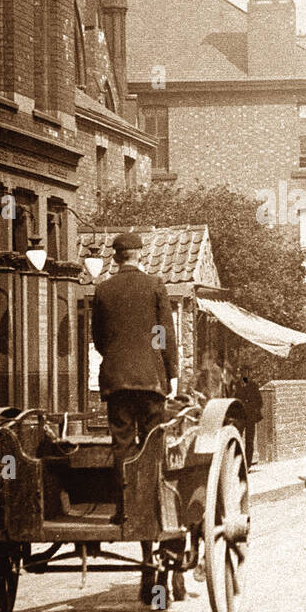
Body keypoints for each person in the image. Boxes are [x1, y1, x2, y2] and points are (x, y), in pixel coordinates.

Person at [91, 232, 179, 548]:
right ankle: (154, 506)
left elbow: (99, 339)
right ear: (140, 255)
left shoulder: (103, 289)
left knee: (122, 445)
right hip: (151, 380)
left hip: (117, 381)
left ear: (116, 258)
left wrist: (118, 359)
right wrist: (170, 374)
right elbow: (163, 333)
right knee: (153, 444)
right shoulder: (155, 285)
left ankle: (125, 509)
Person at [236, 371, 264, 465]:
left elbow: (260, 402)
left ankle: (247, 463)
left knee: (249, 440)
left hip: (250, 417)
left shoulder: (253, 386)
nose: (244, 376)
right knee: (237, 437)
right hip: (239, 416)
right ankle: (238, 461)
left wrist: (253, 409)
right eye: (242, 373)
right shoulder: (237, 386)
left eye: (246, 373)